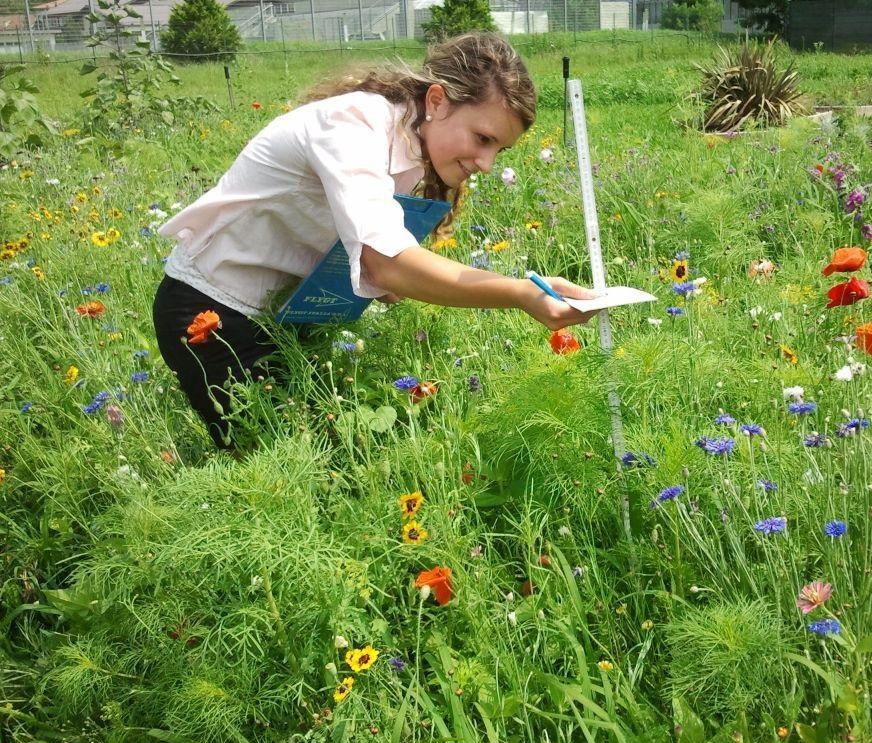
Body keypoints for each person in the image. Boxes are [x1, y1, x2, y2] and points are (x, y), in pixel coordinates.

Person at [152, 32, 596, 449]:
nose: (485, 162)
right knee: (277, 470)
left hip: (285, 315)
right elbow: (387, 263)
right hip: (211, 310)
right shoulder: (353, 126)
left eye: (499, 150)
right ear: (437, 100)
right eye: (482, 138)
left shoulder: (407, 142)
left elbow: (374, 259)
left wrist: (384, 279)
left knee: (319, 459)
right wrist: (521, 294)